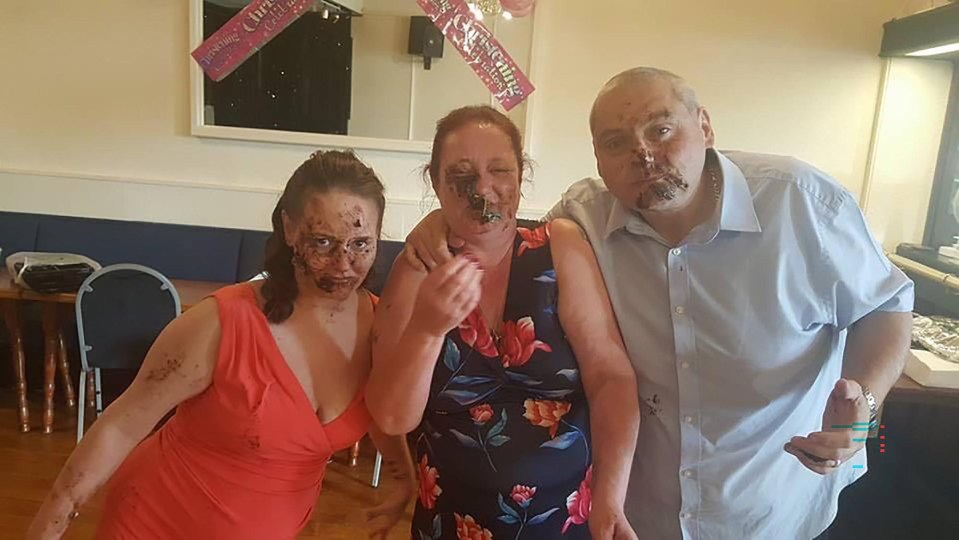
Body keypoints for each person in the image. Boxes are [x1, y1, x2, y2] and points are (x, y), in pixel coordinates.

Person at [403, 69, 915, 539]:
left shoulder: (802, 203)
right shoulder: (583, 218)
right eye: (616, 142)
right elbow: (494, 220)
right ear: (599, 161)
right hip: (639, 513)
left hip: (767, 510)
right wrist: (439, 221)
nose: (642, 154)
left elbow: (885, 304)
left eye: (661, 130)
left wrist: (863, 406)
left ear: (705, 126)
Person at [27, 150, 416, 540]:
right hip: (156, 522)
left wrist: (404, 478)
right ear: (289, 229)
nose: (343, 263)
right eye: (323, 242)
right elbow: (121, 427)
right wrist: (49, 525)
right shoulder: (220, 322)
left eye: (361, 244)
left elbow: (382, 409)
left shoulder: (381, 326)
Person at [366, 105, 641, 539]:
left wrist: (611, 496)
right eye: (461, 173)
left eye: (500, 170)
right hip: (451, 521)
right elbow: (391, 416)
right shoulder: (417, 268)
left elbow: (611, 377)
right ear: (435, 182)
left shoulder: (560, 247)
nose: (483, 188)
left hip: (568, 521)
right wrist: (427, 329)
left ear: (520, 175)